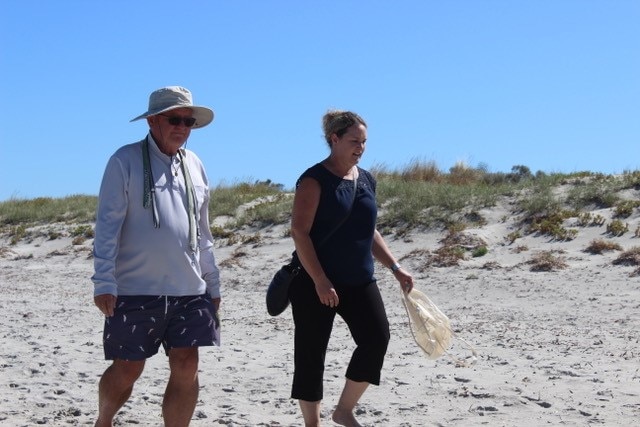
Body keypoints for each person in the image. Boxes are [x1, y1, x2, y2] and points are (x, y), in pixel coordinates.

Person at [91, 86, 221, 427]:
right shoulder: (124, 160)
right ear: (151, 121)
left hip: (190, 291)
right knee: (127, 368)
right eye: (174, 119)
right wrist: (104, 280)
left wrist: (213, 282)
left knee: (187, 365)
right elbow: (107, 226)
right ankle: (104, 420)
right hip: (135, 289)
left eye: (188, 121)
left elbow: (202, 230)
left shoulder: (195, 165)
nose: (182, 127)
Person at [288, 109, 414, 426]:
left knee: (376, 339)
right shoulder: (314, 180)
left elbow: (368, 229)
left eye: (364, 141)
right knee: (311, 354)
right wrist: (319, 279)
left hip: (359, 281)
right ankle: (312, 423)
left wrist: (395, 267)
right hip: (315, 282)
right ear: (335, 139)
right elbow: (299, 232)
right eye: (354, 140)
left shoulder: (367, 179)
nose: (361, 147)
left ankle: (344, 411)